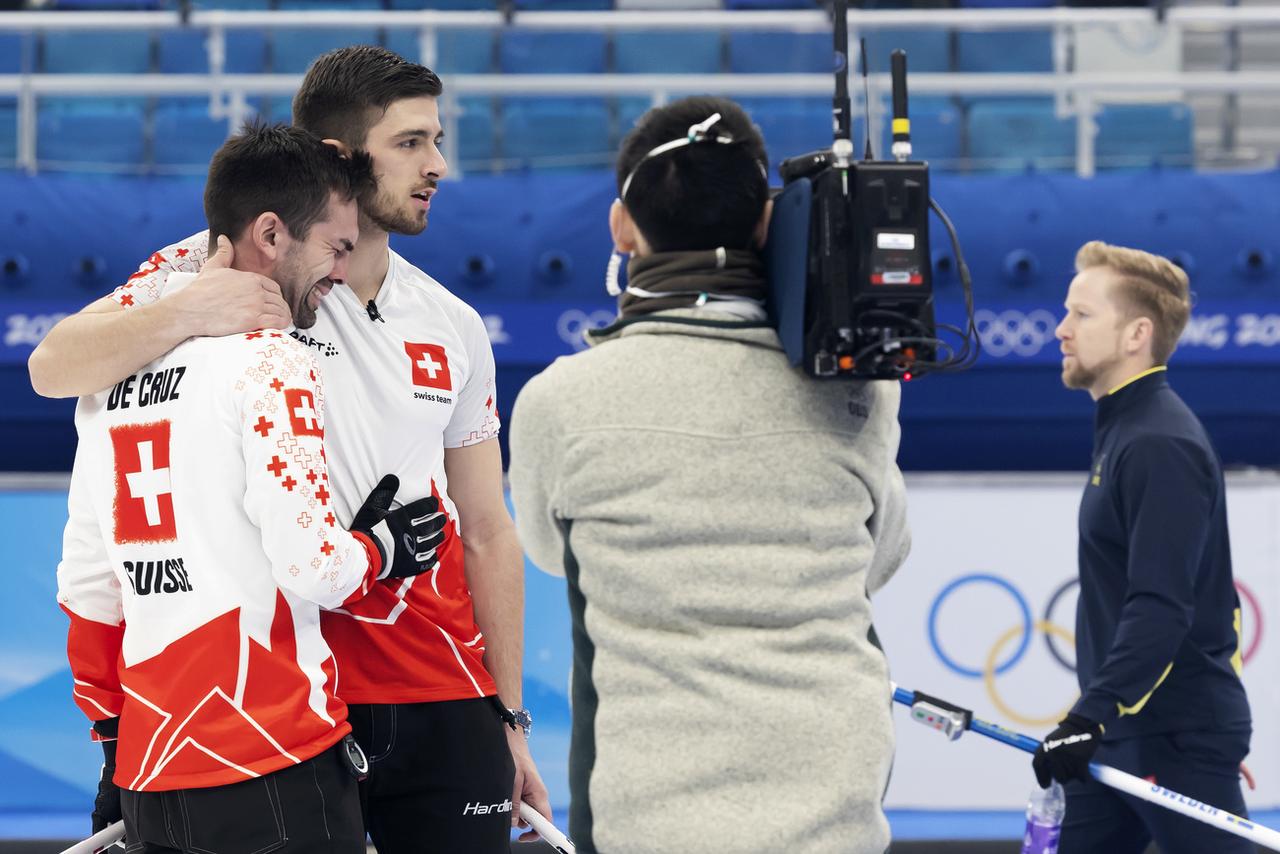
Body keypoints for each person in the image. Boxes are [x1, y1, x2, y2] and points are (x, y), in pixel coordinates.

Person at [30, 47, 548, 852]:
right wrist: (189, 309)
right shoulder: (221, 268)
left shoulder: (453, 321)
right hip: (294, 693)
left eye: (438, 140)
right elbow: (52, 364)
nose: (437, 164)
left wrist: (510, 716)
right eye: (411, 142)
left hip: (440, 685)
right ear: (339, 158)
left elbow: (486, 528)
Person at [507, 96, 910, 854]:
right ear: (765, 222)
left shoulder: (558, 400)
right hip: (835, 802)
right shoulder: (859, 388)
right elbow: (879, 556)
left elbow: (548, 551)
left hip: (646, 812)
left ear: (622, 227)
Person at [57, 123, 452, 852]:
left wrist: (116, 742)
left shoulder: (111, 366)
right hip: (271, 758)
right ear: (270, 234)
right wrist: (380, 549)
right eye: (335, 248)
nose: (339, 274)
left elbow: (88, 584)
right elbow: (314, 569)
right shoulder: (273, 360)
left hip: (150, 774)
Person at [1034, 241, 1253, 853]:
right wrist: (1096, 718)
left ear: (1137, 334)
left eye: (1082, 314)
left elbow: (1162, 605)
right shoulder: (1126, 428)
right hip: (1126, 731)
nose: (1061, 329)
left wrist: (1092, 717)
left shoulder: (1159, 443)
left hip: (1168, 736)